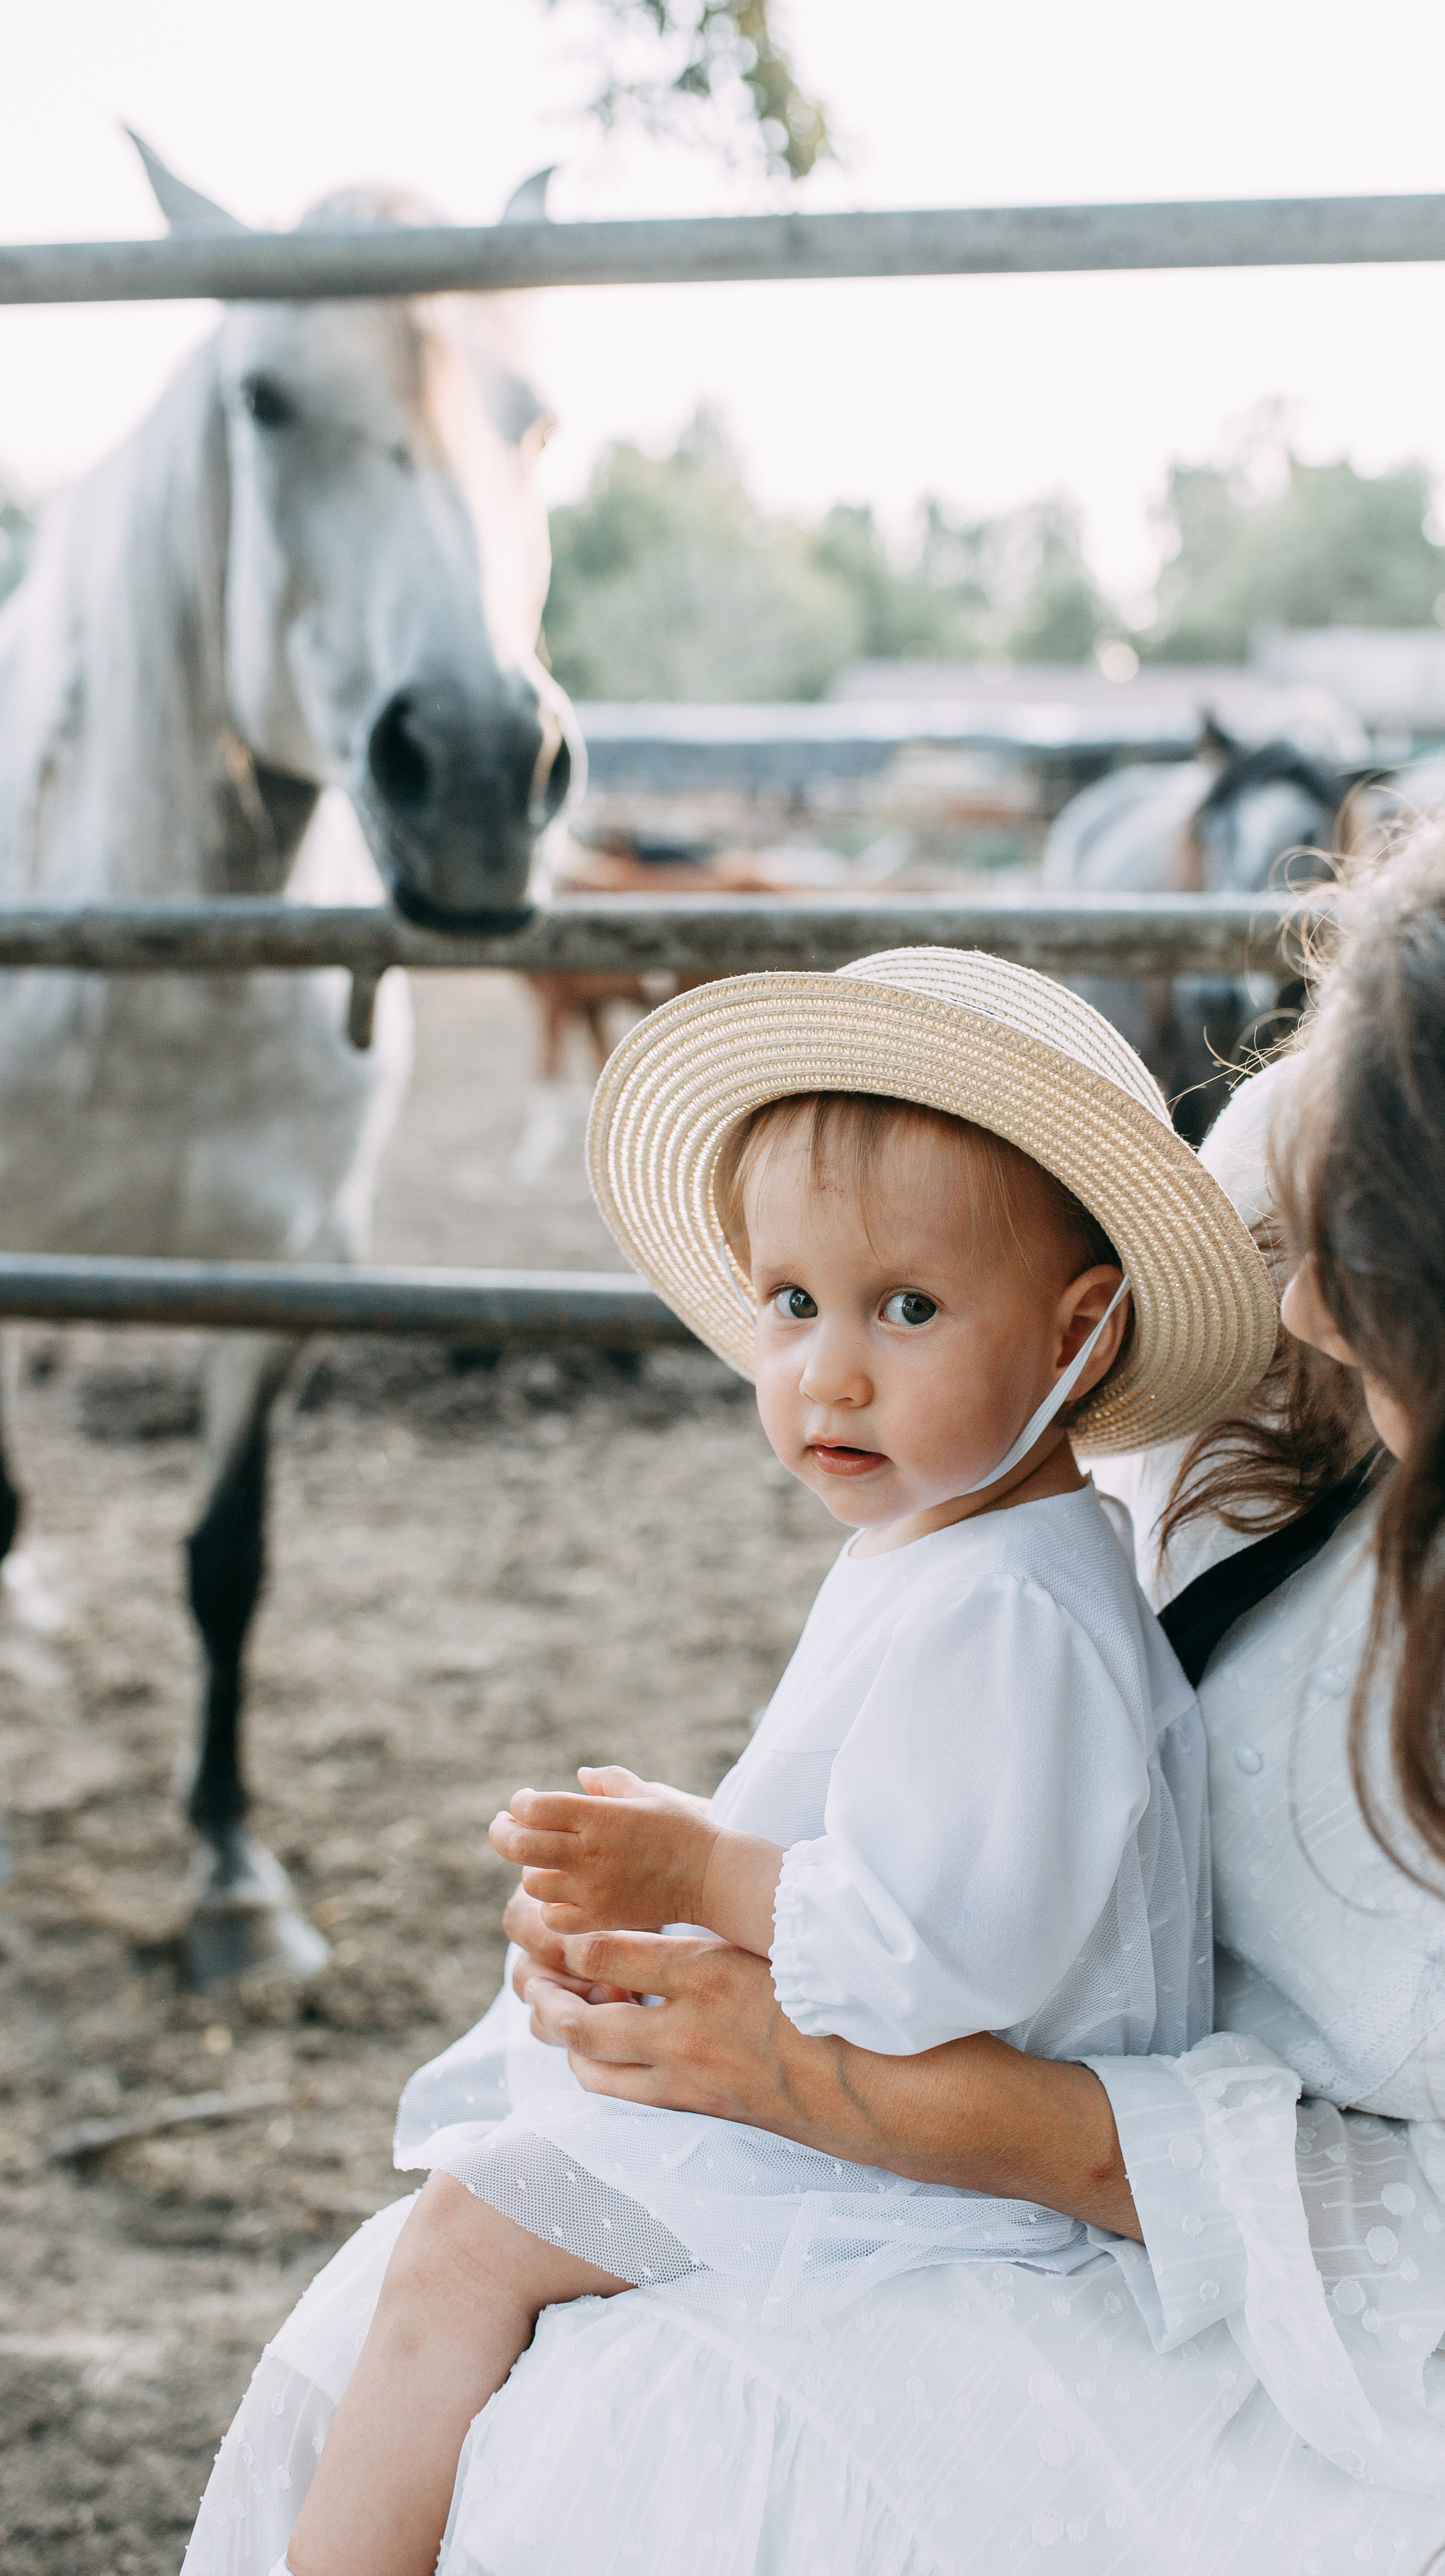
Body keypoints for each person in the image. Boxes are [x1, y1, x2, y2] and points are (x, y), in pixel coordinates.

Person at [184, 736, 1445, 2576]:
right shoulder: (1307, 1177)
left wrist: (892, 2082)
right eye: (1319, 1220)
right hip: (1046, 2082)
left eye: (1387, 1261)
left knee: (660, 2416)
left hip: (1346, 2299)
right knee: (473, 2303)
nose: (1301, 1300)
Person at [280, 949, 1280, 2576]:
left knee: (467, 2244)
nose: (828, 1369)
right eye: (792, 1302)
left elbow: (937, 1961)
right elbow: (868, 1855)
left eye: (907, 1308)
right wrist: (666, 1888)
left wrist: (695, 1874)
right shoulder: (945, 1542)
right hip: (878, 2108)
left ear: (1075, 1336)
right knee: (476, 2213)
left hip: (952, 2173)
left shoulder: (1018, 1610)